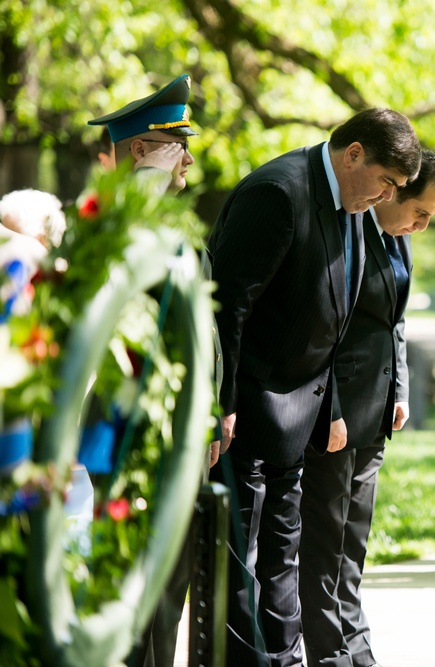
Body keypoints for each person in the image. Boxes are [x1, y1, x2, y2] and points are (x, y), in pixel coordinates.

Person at [208, 107, 421, 667]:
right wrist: (219, 405)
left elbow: (335, 318)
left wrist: (329, 409)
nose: (387, 197)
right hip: (247, 410)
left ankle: (284, 659)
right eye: (386, 182)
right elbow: (227, 306)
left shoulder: (351, 202)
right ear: (353, 154)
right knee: (241, 560)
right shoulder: (279, 193)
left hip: (301, 413)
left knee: (283, 555)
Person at [299, 150, 435, 667]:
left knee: (353, 541)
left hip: (378, 409)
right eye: (420, 212)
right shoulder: (350, 227)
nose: (422, 225)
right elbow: (326, 330)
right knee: (324, 539)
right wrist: (334, 409)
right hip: (335, 411)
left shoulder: (399, 240)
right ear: (393, 193)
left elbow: (396, 322)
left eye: (430, 217)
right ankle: (330, 653)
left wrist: (403, 391)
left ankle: (355, 643)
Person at [87, 73, 204, 667]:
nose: (188, 157)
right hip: (125, 431)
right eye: (175, 144)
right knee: (132, 589)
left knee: (168, 594)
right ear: (141, 150)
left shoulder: (179, 233)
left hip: (173, 435)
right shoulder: (114, 229)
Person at [88, 75, 196, 194]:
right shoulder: (105, 207)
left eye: (186, 145)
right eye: (180, 146)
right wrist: (150, 176)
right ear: (140, 151)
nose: (190, 160)